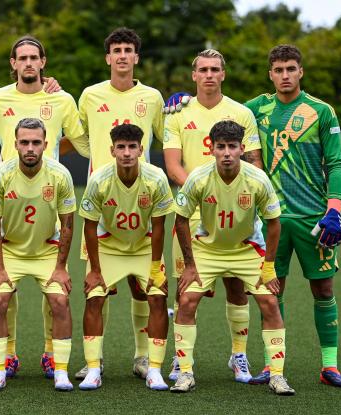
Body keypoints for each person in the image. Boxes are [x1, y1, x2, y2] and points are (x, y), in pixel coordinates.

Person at [0, 35, 88, 379]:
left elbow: (82, 142)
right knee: (3, 287)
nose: (27, 63)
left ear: (43, 62)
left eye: (33, 57)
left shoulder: (62, 99)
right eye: (21, 57)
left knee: (52, 284)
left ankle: (52, 354)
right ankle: (6, 355)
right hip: (8, 200)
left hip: (47, 198)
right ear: (13, 63)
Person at [244, 45, 341, 388]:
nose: (285, 75)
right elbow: (216, 111)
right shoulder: (256, 109)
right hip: (270, 219)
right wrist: (183, 100)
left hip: (313, 219)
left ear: (301, 71)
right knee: (272, 292)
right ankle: (273, 366)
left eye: (291, 68)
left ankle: (329, 367)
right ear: (270, 74)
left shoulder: (321, 111)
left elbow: (335, 165)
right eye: (278, 70)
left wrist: (333, 211)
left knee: (323, 288)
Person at [170, 120, 294, 396]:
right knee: (187, 300)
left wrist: (269, 267)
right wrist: (189, 266)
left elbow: (274, 224)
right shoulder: (198, 178)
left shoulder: (258, 179)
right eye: (221, 147)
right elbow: (180, 220)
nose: (226, 153)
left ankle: (277, 375)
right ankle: (185, 372)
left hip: (246, 249)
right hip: (208, 250)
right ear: (212, 149)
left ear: (241, 149)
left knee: (269, 302)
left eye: (232, 147)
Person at [163, 48, 263, 382]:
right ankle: (181, 360)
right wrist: (203, 192)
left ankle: (239, 356)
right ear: (194, 76)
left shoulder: (241, 112)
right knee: (186, 288)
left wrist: (233, 195)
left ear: (223, 74)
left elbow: (254, 162)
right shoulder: (177, 112)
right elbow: (173, 165)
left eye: (215, 69)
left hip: (236, 214)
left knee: (237, 287)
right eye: (202, 69)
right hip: (192, 213)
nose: (208, 74)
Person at [73, 27, 166, 380]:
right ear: (108, 58)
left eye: (129, 49)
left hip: (141, 198)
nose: (123, 55)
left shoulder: (153, 97)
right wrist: (99, 158)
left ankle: (143, 357)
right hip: (103, 198)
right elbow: (78, 135)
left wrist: (178, 102)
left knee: (141, 285)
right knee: (99, 284)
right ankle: (93, 360)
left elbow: (165, 134)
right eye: (117, 50)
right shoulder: (90, 95)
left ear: (136, 57)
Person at [78, 124, 174, 391]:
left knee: (157, 296)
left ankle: (153, 368)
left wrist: (156, 268)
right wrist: (95, 270)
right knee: (94, 297)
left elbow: (159, 227)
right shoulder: (99, 179)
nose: (127, 153)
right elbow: (89, 226)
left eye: (132, 147)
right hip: (110, 246)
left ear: (142, 150)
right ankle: (94, 368)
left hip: (143, 247)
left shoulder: (156, 178)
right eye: (121, 147)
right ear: (112, 150)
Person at [0, 118, 76, 391]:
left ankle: (60, 370)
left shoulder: (60, 175)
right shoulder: (0, 174)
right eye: (25, 142)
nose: (30, 148)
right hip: (11, 251)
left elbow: (68, 223)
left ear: (46, 144)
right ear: (16, 145)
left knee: (60, 301)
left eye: (36, 142)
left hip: (47, 251)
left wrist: (61, 267)